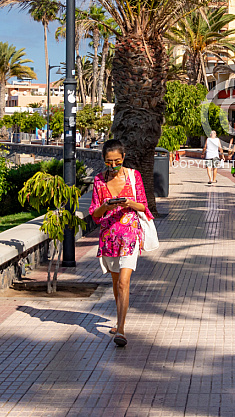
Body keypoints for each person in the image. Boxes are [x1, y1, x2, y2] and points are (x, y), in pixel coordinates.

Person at [89, 139, 153, 347]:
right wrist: (106, 206)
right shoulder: (99, 181)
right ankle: (118, 321)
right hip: (109, 238)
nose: (114, 165)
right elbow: (94, 214)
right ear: (104, 160)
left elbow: (143, 206)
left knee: (124, 282)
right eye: (109, 162)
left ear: (123, 158)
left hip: (130, 236)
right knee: (116, 283)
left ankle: (121, 329)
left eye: (117, 160)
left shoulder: (134, 176)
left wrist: (129, 203)